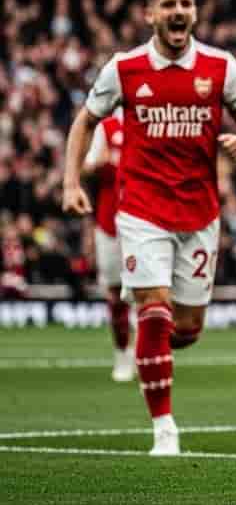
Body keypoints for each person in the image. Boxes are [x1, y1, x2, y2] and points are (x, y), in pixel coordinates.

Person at [62, 0, 236, 455]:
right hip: (141, 210)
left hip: (199, 211)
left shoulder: (220, 67)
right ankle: (165, 429)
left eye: (186, 4)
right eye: (168, 4)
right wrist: (71, 181)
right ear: (149, 15)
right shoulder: (125, 68)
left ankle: (150, 350)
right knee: (153, 311)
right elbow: (84, 122)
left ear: (195, 13)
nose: (178, 12)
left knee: (187, 330)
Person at [81, 112, 134, 382]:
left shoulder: (150, 119)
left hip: (143, 221)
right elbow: (88, 164)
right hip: (109, 222)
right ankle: (122, 353)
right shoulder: (108, 127)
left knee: (147, 291)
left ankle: (144, 353)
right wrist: (96, 163)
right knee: (114, 292)